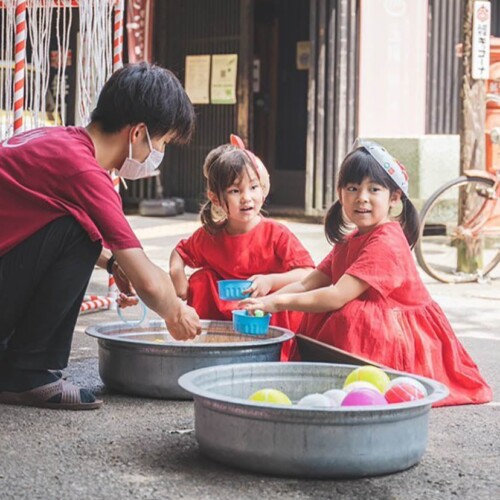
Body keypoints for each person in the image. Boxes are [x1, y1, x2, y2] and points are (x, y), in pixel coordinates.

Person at [0, 62, 202, 411]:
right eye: (163, 142)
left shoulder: (58, 141)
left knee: (80, 230)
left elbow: (43, 229)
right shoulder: (84, 170)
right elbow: (150, 282)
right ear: (138, 133)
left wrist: (111, 265)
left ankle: (15, 362)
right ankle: (27, 373)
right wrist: (176, 312)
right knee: (84, 235)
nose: (159, 155)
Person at [239, 140, 492, 406]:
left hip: (400, 334)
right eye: (353, 188)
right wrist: (265, 300)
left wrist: (276, 302)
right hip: (377, 324)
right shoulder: (351, 239)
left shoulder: (387, 240)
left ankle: (355, 383)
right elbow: (306, 284)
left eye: (374, 189)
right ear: (340, 194)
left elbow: (337, 295)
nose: (362, 197)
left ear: (394, 198)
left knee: (349, 314)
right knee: (319, 308)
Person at [170, 135, 314, 357]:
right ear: (215, 198)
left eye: (253, 187)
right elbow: (180, 252)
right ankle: (208, 345)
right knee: (202, 279)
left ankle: (275, 355)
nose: (247, 198)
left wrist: (270, 281)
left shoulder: (276, 233)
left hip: (267, 312)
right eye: (235, 191)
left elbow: (307, 273)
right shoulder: (211, 235)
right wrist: (177, 275)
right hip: (227, 312)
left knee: (284, 296)